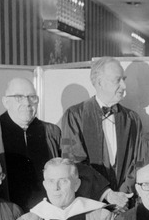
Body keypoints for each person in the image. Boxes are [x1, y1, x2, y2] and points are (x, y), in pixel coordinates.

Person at [59, 57, 142, 208]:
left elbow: (139, 160)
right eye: (117, 80)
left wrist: (124, 193)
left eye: (124, 79)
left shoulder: (132, 119)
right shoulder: (75, 115)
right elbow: (73, 162)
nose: (124, 86)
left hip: (126, 202)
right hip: (89, 203)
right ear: (99, 83)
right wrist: (107, 194)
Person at [0, 77, 61, 211]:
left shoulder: (52, 132)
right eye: (19, 97)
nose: (27, 103)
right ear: (6, 102)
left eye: (32, 97)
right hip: (2, 213)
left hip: (46, 213)